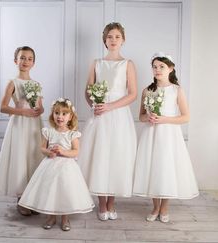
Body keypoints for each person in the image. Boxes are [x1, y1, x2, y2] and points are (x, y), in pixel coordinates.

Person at [78, 22, 137, 221]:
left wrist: (111, 106)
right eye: (109, 37)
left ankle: (112, 202)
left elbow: (133, 94)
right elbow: (88, 90)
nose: (113, 40)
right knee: (100, 156)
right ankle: (102, 203)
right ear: (104, 40)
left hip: (119, 116)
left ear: (123, 40)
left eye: (117, 37)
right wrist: (95, 104)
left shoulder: (127, 64)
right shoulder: (96, 63)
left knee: (116, 157)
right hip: (100, 116)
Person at [133, 52, 199, 223]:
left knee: (167, 168)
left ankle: (165, 207)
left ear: (171, 68)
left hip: (169, 135)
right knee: (153, 167)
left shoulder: (177, 90)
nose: (157, 70)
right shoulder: (147, 90)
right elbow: (140, 116)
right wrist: (149, 118)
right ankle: (155, 206)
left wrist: (164, 119)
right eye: (154, 67)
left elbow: (186, 117)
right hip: (151, 134)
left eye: (161, 66)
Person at [18, 98, 95, 230]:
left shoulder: (72, 134)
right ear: (52, 115)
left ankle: (65, 218)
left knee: (64, 190)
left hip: (66, 167)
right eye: (57, 113)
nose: (60, 117)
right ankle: (51, 217)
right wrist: (49, 152)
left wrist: (63, 151)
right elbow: (42, 148)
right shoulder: (49, 131)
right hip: (50, 165)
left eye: (64, 114)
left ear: (70, 117)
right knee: (50, 190)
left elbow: (76, 152)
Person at [0, 46, 44, 216]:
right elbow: (3, 107)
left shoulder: (36, 84)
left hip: (34, 125)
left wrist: (39, 110)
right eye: (22, 58)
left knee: (33, 156)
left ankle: (32, 198)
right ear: (16, 61)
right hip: (20, 124)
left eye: (29, 59)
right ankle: (21, 199)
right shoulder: (12, 83)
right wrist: (22, 110)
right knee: (21, 156)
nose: (25, 61)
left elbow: (39, 107)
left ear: (34, 63)